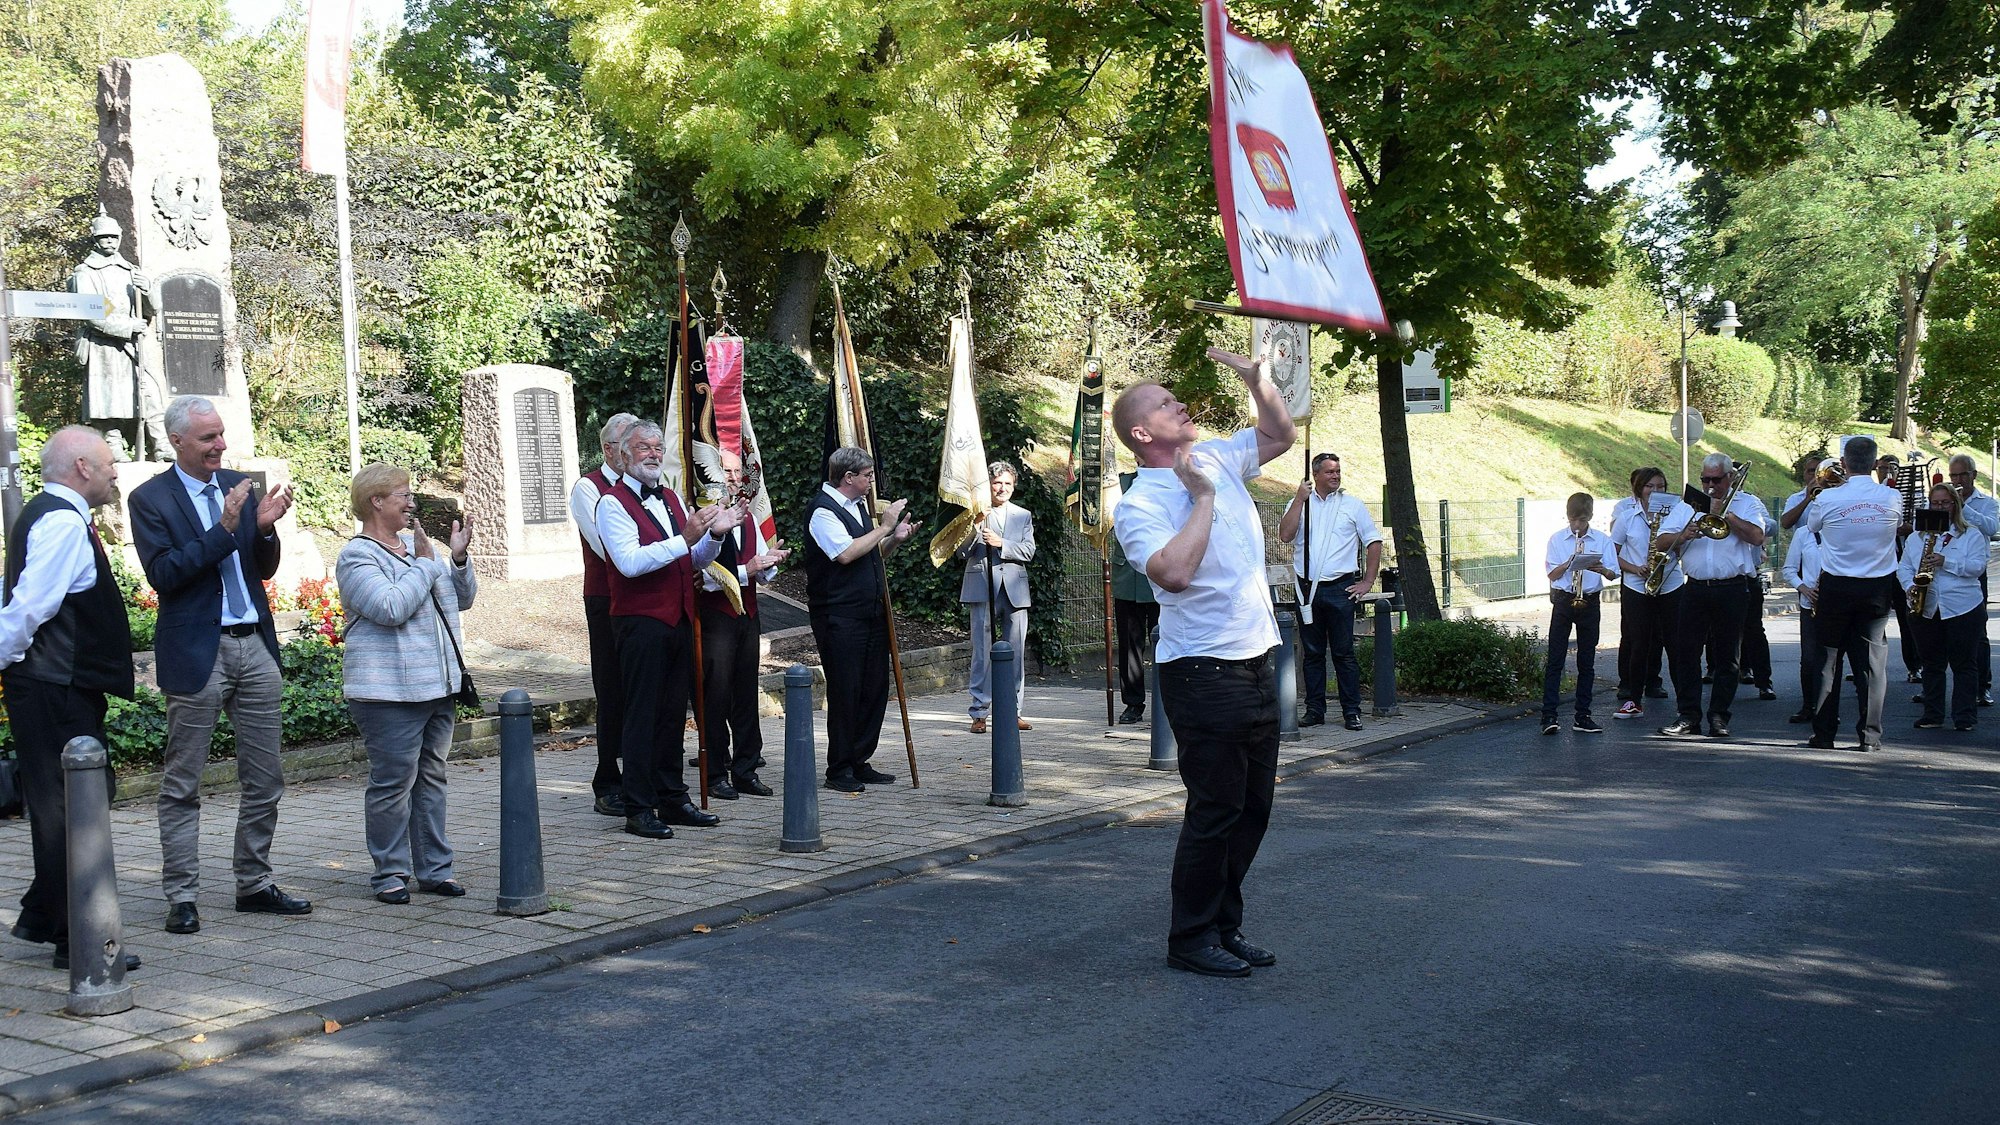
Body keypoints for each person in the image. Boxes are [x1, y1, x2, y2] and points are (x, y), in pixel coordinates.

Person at [1111, 345, 1295, 978]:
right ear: (1142, 433)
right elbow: (1174, 573)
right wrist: (1204, 499)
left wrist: (1259, 381)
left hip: (1255, 659)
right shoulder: (1141, 504)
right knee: (1215, 810)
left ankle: (1224, 924)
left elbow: (1280, 433)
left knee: (1253, 808)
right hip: (1201, 670)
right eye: (1166, 403)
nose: (1181, 404)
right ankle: (1189, 938)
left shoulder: (1215, 452)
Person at [128, 395, 310, 936]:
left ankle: (253, 884)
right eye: (208, 438)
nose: (220, 446)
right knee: (183, 781)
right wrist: (225, 528)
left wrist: (267, 529)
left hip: (253, 645)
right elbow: (165, 574)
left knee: (266, 778)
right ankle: (182, 896)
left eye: (222, 435)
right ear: (177, 441)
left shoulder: (238, 483)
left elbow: (261, 568)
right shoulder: (150, 499)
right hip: (196, 654)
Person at [1, 427, 142, 972]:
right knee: (72, 809)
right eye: (108, 462)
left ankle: (49, 917)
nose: (114, 471)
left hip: (53, 684)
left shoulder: (47, 514)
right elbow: (29, 606)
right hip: (53, 685)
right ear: (81, 467)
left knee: (69, 804)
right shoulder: (61, 521)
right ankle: (74, 936)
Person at [336, 464, 477, 903]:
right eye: (402, 494)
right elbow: (390, 606)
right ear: (376, 501)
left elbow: (463, 599)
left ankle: (435, 869)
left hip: (438, 686)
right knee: (393, 784)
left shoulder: (421, 548)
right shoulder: (357, 555)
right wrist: (424, 565)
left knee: (432, 778)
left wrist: (455, 560)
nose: (411, 501)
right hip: (387, 691)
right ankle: (390, 874)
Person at [596, 421, 734, 837]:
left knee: (674, 714)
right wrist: (687, 536)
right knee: (641, 715)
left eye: (658, 447)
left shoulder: (671, 497)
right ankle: (638, 807)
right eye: (643, 447)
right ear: (622, 455)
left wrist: (713, 537)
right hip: (640, 622)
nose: (654, 454)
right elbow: (630, 563)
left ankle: (672, 797)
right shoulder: (611, 504)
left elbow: (690, 558)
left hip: (678, 618)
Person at [805, 447, 916, 793]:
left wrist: (892, 540)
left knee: (873, 688)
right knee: (846, 689)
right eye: (867, 475)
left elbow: (869, 554)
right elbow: (845, 553)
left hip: (869, 611)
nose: (871, 482)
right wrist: (884, 526)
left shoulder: (855, 508)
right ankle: (838, 768)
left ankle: (859, 758)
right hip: (839, 614)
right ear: (848, 477)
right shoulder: (822, 512)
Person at [1656, 453, 1767, 739]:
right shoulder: (1688, 505)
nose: (1709, 485)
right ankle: (1688, 716)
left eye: (1716, 480)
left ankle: (1719, 716)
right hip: (1694, 587)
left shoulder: (1748, 503)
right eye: (1705, 479)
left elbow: (1757, 536)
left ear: (1729, 478)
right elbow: (1661, 540)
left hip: (1732, 587)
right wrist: (1685, 534)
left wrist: (1725, 513)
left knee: (1728, 656)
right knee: (1686, 653)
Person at [697, 451, 788, 800]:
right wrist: (746, 571)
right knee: (715, 697)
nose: (734, 477)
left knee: (747, 695)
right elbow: (701, 575)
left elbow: (759, 568)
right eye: (727, 471)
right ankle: (714, 772)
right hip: (715, 618)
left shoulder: (747, 517)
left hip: (748, 615)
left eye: (737, 471)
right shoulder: (702, 516)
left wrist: (769, 562)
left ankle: (746, 769)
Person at [1806, 437, 1902, 752]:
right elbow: (1897, 526)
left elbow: (1812, 525)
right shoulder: (1891, 497)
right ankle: (1870, 737)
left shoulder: (1828, 499)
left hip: (1836, 586)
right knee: (1872, 663)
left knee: (1829, 660)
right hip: (1876, 587)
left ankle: (1823, 734)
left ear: (1844, 464)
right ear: (1876, 464)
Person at [1277, 451, 1382, 732]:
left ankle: (1351, 711)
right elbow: (1285, 535)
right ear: (1316, 475)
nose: (1335, 476)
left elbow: (1373, 542)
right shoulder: (1301, 502)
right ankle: (1315, 710)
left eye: (1337, 471)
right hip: (1307, 588)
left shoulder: (1352, 505)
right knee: (1311, 653)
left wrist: (1367, 582)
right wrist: (1299, 498)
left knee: (1343, 652)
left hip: (1339, 587)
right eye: (1329, 472)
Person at [570, 412, 638, 816]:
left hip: (644, 599)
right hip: (607, 598)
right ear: (610, 449)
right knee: (612, 689)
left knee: (641, 689)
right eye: (628, 442)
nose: (637, 449)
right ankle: (608, 781)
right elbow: (607, 548)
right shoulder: (588, 488)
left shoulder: (648, 487)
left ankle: (642, 773)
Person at [68, 213, 167, 457]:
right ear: (95, 239)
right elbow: (91, 315)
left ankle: (163, 445)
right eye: (104, 237)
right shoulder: (85, 272)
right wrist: (127, 326)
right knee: (108, 397)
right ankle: (113, 444)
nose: (110, 241)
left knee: (150, 393)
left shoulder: (130, 271)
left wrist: (147, 290)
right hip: (103, 345)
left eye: (114, 236)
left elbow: (150, 310)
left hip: (133, 345)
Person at [1901, 483, 1990, 732]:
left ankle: (1964, 717)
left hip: (1963, 607)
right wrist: (1910, 586)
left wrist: (1945, 561)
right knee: (1932, 664)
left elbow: (1977, 568)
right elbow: (1904, 567)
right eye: (1935, 503)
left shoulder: (1971, 534)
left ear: (1955, 505)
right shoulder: (1916, 537)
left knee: (1964, 664)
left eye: (1944, 503)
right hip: (1927, 606)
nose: (1939, 507)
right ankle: (1933, 714)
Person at [960, 462, 1036, 734]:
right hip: (982, 588)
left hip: (1015, 590)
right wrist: (975, 528)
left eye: (1007, 484)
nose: (1002, 488)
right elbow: (960, 551)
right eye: (997, 483)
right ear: (988, 485)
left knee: (1015, 653)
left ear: (1014, 486)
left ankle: (1012, 711)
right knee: (982, 653)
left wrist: (1002, 543)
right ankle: (979, 712)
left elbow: (1028, 551)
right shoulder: (974, 512)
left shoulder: (1022, 515)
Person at [1540, 494, 1620, 735]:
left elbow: (1614, 573)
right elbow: (1552, 575)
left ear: (1590, 518)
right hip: (1564, 600)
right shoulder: (1557, 539)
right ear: (1567, 516)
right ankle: (1549, 715)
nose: (1576, 525)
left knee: (1587, 661)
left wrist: (1601, 569)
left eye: (1581, 520)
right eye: (1573, 519)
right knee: (1555, 659)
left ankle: (1583, 716)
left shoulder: (1602, 540)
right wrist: (1569, 562)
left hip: (1590, 601)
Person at [1611, 467, 1679, 720]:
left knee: (1675, 643)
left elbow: (1683, 550)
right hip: (1636, 586)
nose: (1656, 491)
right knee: (1639, 643)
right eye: (1650, 486)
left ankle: (1685, 703)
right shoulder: (1627, 517)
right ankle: (1633, 700)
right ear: (1639, 489)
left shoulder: (1675, 515)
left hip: (1670, 583)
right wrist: (1634, 568)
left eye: (1661, 486)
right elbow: (1612, 554)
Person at [1946, 455, 1996, 707]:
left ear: (1973, 475)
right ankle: (1935, 687)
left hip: (1973, 570)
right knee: (1939, 630)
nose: (1957, 481)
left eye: (1962, 475)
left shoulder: (1986, 503)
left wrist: (1963, 507)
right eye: (1953, 476)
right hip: (1943, 570)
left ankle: (1981, 686)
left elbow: (1991, 527)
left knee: (1978, 632)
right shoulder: (1943, 499)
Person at [1109, 471, 1158, 725]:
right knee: (1130, 645)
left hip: (1161, 573)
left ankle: (1168, 699)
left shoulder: (1172, 481)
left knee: (1165, 642)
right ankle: (1133, 703)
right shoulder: (1118, 484)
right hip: (1128, 577)